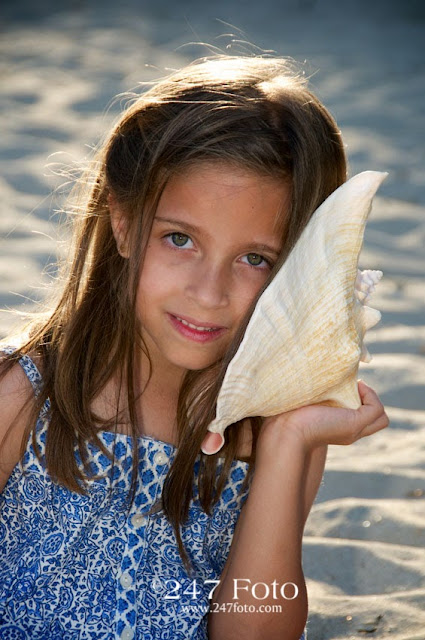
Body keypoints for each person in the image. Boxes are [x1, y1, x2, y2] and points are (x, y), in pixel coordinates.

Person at [0, 55, 389, 640]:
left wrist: (287, 444)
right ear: (124, 224)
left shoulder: (275, 429)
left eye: (255, 258)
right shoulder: (25, 396)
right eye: (180, 239)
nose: (209, 294)